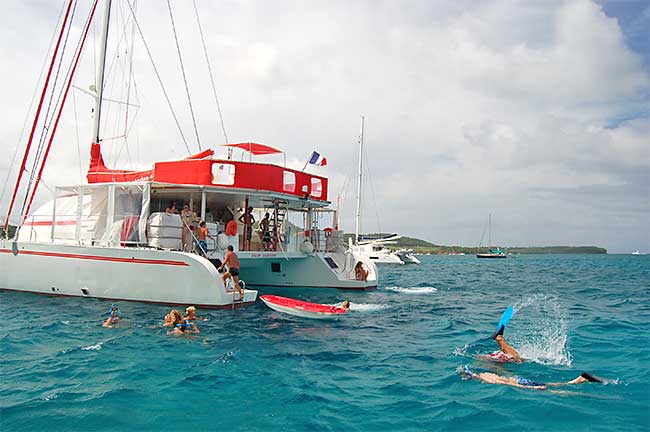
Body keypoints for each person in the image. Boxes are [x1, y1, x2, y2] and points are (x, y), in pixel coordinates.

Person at [459, 365, 604, 390]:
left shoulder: (486, 379)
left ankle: (578, 381)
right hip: (519, 379)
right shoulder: (485, 375)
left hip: (520, 383)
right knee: (550, 385)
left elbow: (508, 384)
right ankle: (578, 380)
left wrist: (529, 389)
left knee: (551, 390)